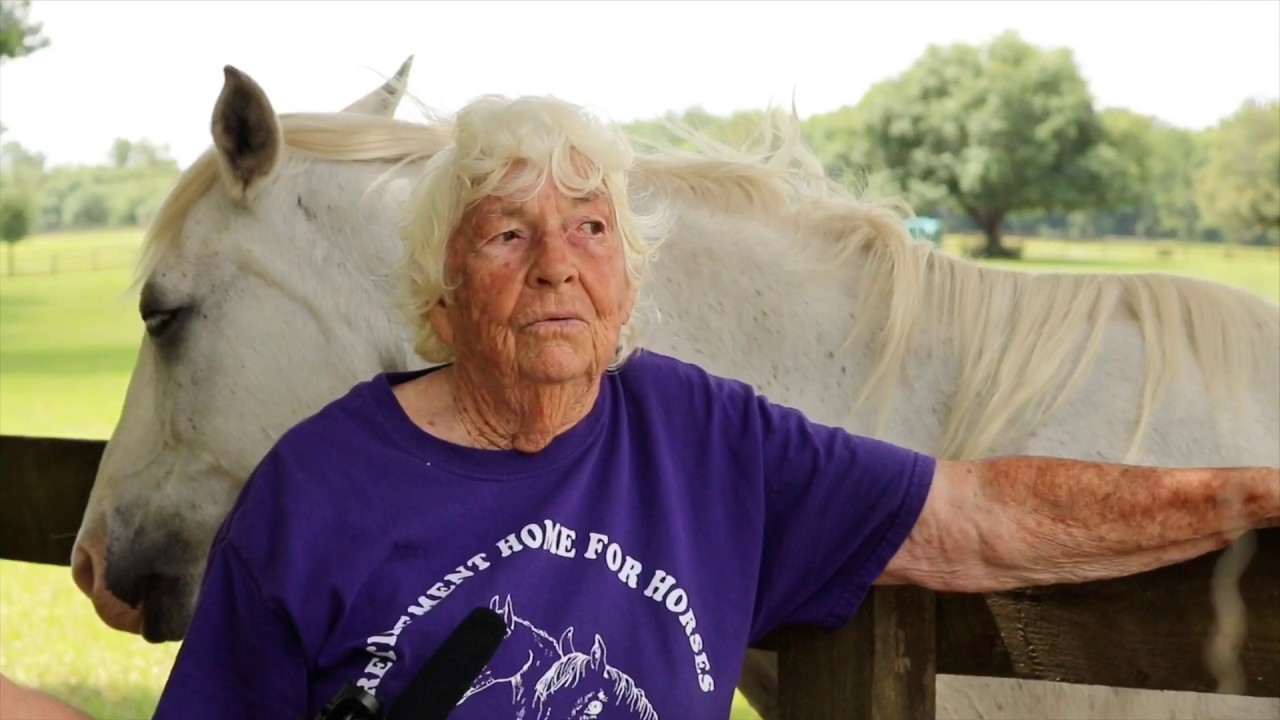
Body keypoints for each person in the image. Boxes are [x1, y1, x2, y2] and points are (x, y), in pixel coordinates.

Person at [2, 93, 1276, 720]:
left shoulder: (704, 438)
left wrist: (1251, 492)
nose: (557, 262)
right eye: (507, 233)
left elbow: (983, 518)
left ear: (628, 280)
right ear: (439, 287)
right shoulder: (317, 487)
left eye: (593, 230)